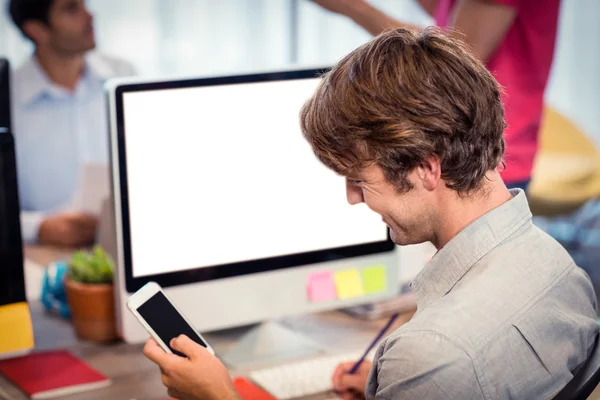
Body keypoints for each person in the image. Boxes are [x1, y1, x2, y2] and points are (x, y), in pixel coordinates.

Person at [142, 28, 599, 399]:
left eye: (359, 180)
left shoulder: (431, 356)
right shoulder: (559, 267)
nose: (354, 199)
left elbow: (448, 366)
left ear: (425, 169)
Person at [310, 0, 560, 193]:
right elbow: (446, 17)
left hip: (478, 151)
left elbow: (454, 58)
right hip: (465, 145)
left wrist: (352, 7)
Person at [8, 0, 135, 247]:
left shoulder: (123, 74)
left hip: (123, 247)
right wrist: (40, 227)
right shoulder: (7, 98)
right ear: (36, 30)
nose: (90, 16)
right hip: (45, 258)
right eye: (71, 9)